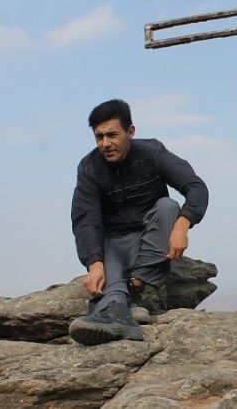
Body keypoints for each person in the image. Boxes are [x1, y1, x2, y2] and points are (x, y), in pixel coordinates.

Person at [68, 99, 208, 345]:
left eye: (112, 135)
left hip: (150, 240)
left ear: (130, 131)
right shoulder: (89, 167)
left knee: (168, 206)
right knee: (109, 285)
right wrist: (94, 263)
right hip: (113, 244)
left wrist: (183, 224)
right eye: (99, 137)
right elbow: (85, 220)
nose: (105, 144)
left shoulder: (152, 152)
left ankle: (131, 291)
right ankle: (123, 314)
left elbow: (196, 187)